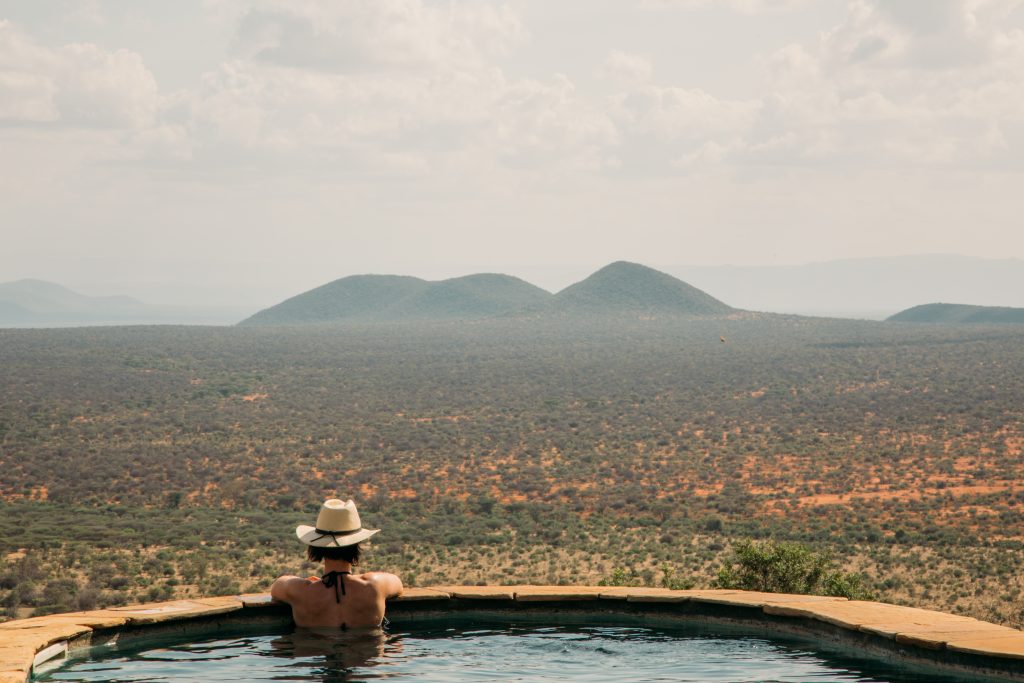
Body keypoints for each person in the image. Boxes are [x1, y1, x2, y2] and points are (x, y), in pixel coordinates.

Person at [271, 498, 403, 629]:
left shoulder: (301, 591)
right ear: (355, 546)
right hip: (364, 647)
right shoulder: (375, 585)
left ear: (316, 547)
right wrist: (357, 579)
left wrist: (309, 582)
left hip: (315, 647)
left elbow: (277, 587)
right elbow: (398, 584)